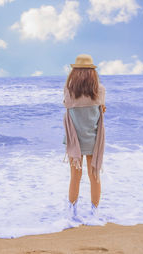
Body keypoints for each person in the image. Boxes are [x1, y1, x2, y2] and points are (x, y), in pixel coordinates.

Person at [62, 54, 106, 224]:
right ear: (92, 72)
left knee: (75, 175)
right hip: (93, 138)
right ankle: (94, 213)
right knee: (94, 174)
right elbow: (100, 111)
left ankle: (72, 212)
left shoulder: (69, 90)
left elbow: (67, 106)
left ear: (75, 72)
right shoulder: (99, 90)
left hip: (75, 138)